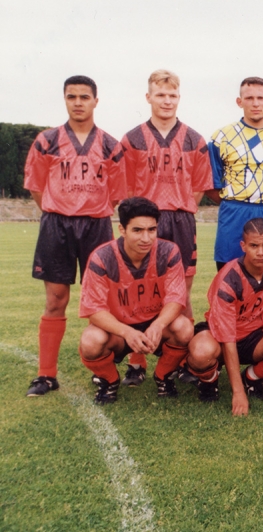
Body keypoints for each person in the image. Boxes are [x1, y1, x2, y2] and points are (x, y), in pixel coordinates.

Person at [24, 75, 126, 397]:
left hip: (96, 226)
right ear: (65, 100)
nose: (78, 102)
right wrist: (61, 209)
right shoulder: (47, 141)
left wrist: (89, 209)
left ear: (96, 101)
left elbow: (117, 195)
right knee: (56, 299)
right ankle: (46, 375)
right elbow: (37, 189)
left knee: (104, 303)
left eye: (85, 97)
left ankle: (104, 368)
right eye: (72, 97)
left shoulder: (111, 145)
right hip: (57, 225)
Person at [120, 69, 213, 386]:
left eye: (172, 95)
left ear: (179, 98)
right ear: (148, 97)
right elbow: (126, 189)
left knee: (182, 291)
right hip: (146, 222)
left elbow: (199, 188)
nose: (166, 100)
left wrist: (180, 205)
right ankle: (137, 360)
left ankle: (182, 360)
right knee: (138, 289)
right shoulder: (132, 139)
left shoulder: (194, 139)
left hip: (181, 220)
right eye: (160, 94)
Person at [77, 197, 194, 404]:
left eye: (152, 230)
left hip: (153, 326)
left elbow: (177, 297)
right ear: (122, 229)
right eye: (137, 230)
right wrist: (126, 331)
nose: (146, 238)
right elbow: (93, 308)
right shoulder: (102, 257)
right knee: (91, 340)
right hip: (119, 330)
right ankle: (109, 381)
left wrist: (158, 324)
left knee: (184, 327)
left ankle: (163, 376)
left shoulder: (169, 251)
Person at [186, 218, 263, 416]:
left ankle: (251, 377)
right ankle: (209, 380)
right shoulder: (229, 280)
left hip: (255, 335)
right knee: (200, 353)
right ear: (243, 246)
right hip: (221, 336)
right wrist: (238, 393)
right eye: (254, 246)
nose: (260, 252)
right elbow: (228, 339)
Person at [208, 77, 263, 269]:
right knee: (229, 277)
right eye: (249, 98)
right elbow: (210, 183)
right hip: (234, 214)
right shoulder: (221, 137)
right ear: (239, 102)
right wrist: (231, 203)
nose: (255, 103)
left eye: (260, 98)